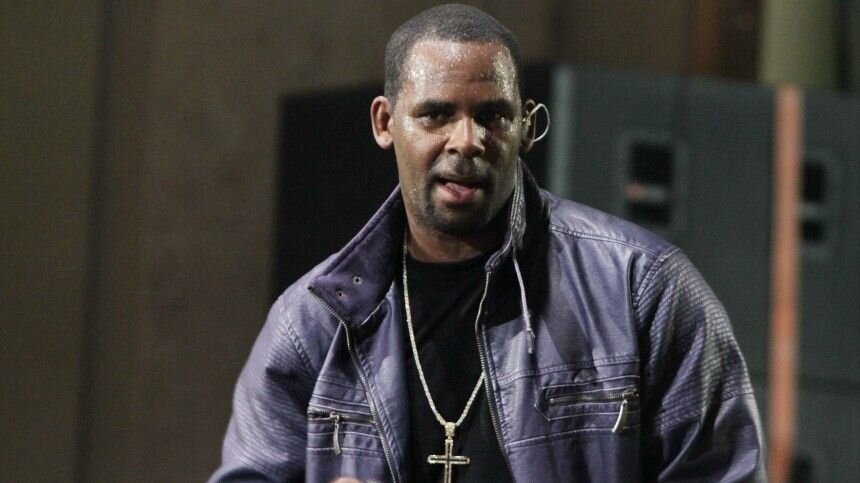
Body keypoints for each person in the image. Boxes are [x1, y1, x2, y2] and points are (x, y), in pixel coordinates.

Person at [211, 4, 766, 482]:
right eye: (436, 114)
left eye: (492, 116)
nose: (466, 141)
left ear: (527, 127)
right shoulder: (315, 322)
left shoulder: (640, 288)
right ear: (385, 123)